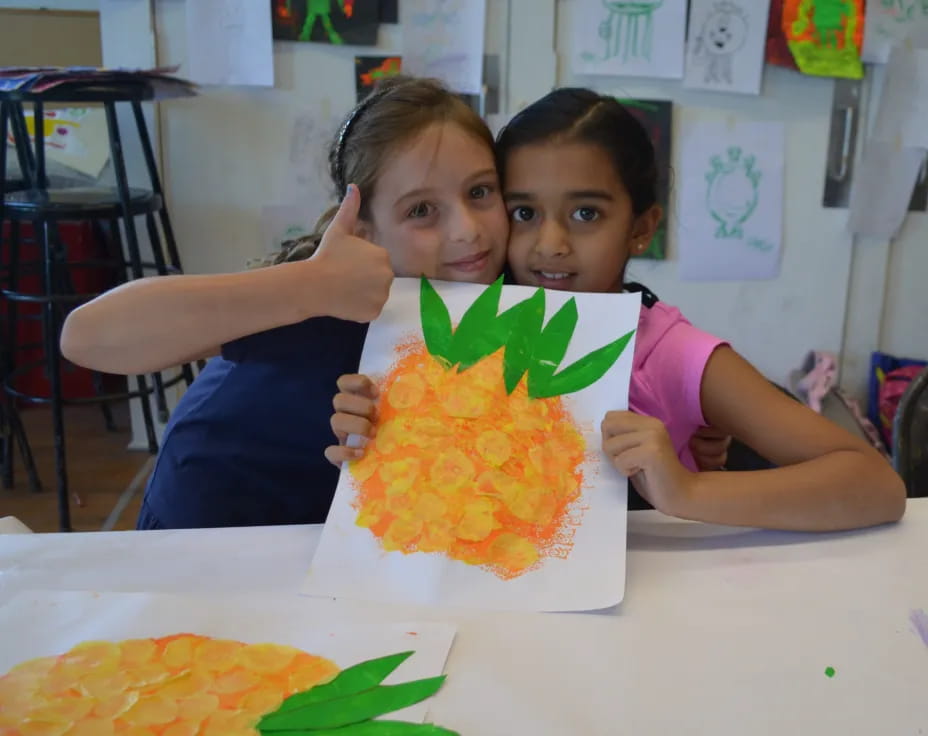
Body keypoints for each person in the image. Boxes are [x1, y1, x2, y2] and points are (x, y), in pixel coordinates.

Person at [328, 88, 905, 531]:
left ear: (642, 227)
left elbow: (876, 485)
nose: (551, 243)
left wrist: (689, 490)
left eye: (585, 214)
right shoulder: (459, 328)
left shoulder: (667, 353)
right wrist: (375, 434)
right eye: (524, 212)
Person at [61, 76, 509, 528]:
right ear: (363, 231)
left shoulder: (508, 297)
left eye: (480, 192)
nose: (467, 229)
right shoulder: (326, 299)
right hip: (207, 532)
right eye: (421, 210)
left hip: (331, 539)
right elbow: (86, 336)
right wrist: (308, 285)